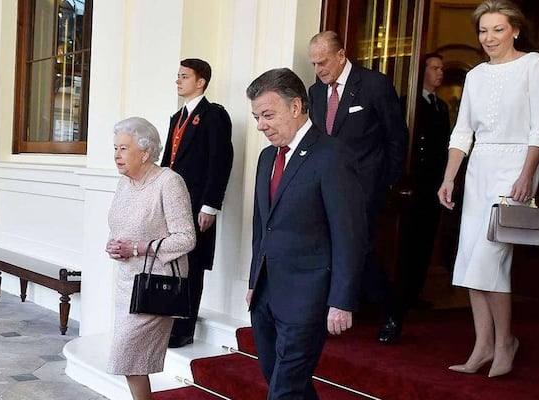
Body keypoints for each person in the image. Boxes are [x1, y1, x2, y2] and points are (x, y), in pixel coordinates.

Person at [437, 0, 539, 378]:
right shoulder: (475, 76)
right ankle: (483, 344)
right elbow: (462, 132)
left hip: (515, 167)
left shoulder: (534, 64)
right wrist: (450, 176)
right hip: (479, 170)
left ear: (515, 30)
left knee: (490, 259)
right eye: (483, 30)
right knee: (471, 260)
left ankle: (505, 343)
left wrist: (526, 175)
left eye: (498, 29)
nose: (489, 37)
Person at [245, 68, 367, 399]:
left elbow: (349, 234)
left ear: (296, 106)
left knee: (284, 390)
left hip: (308, 298)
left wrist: (342, 300)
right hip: (267, 295)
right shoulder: (267, 157)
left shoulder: (332, 155)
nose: (261, 126)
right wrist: (255, 281)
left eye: (268, 115)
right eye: (257, 117)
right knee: (282, 382)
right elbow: (262, 225)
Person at [307, 30, 409, 344]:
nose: (319, 69)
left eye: (323, 62)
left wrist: (387, 182)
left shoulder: (374, 85)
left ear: (341, 55)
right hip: (325, 188)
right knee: (326, 249)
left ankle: (391, 309)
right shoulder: (314, 91)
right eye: (314, 64)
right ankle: (331, 314)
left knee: (359, 252)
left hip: (364, 189)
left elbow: (396, 137)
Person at [105, 117, 196, 399]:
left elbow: (186, 238)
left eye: (123, 148)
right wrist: (114, 245)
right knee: (131, 362)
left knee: (128, 357)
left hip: (156, 285)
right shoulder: (125, 185)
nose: (117, 155)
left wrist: (138, 247)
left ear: (144, 153)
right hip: (126, 283)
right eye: (116, 148)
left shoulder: (168, 182)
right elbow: (121, 228)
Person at [161, 58, 234, 348]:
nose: (178, 81)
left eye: (184, 76)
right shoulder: (177, 117)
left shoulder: (213, 115)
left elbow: (220, 162)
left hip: (197, 204)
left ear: (200, 81)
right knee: (173, 264)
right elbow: (168, 162)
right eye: (177, 76)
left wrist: (210, 206)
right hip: (173, 203)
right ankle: (170, 322)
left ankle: (184, 329)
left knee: (192, 265)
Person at [398, 53, 451, 312]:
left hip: (433, 184)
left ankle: (415, 293)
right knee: (407, 242)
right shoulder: (409, 103)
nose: (439, 73)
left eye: (441, 68)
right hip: (413, 182)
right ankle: (402, 294)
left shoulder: (441, 106)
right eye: (434, 68)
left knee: (425, 241)